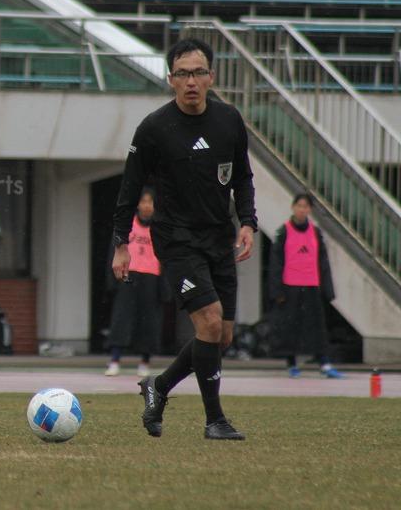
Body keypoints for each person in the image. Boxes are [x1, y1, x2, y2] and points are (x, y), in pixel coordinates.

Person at [112, 38, 257, 441]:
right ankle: (215, 421)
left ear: (211, 77)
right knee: (209, 321)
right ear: (170, 79)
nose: (190, 81)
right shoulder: (155, 128)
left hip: (219, 238)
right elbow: (129, 188)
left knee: (222, 335)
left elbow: (243, 178)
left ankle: (159, 386)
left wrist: (248, 222)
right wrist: (121, 242)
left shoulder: (229, 120)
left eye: (198, 73)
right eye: (182, 74)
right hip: (175, 240)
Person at [267, 193, 342, 379]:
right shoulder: (283, 232)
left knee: (317, 327)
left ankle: (324, 363)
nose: (302, 209)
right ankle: (291, 364)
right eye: (299, 205)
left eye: (306, 206)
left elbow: (323, 262)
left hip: (311, 286)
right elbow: (276, 263)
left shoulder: (316, 233)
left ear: (310, 210)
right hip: (290, 287)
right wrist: (277, 291)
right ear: (293, 207)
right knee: (290, 327)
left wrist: (327, 288)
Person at [104, 187, 168, 378]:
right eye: (144, 201)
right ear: (138, 204)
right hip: (128, 276)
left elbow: (167, 258)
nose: (147, 206)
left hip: (152, 278)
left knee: (150, 322)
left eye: (150, 202)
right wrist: (112, 280)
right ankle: (115, 360)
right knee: (121, 320)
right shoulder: (127, 225)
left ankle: (145, 362)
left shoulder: (161, 228)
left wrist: (166, 288)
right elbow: (114, 251)